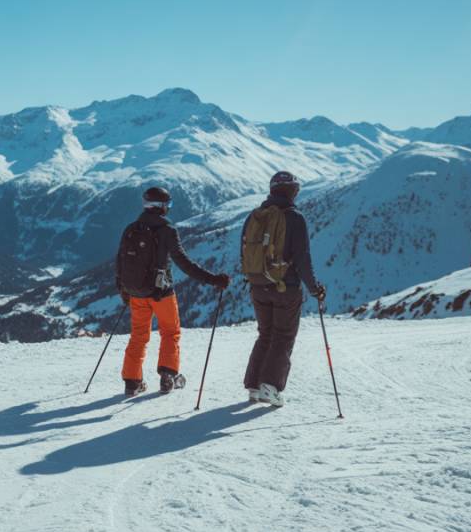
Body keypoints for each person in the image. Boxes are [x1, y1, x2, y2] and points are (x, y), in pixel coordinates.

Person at [116, 186, 230, 396]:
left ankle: (132, 382)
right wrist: (213, 280)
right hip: (162, 292)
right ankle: (167, 376)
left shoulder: (131, 228)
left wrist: (123, 289)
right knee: (170, 332)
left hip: (136, 292)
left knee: (138, 336)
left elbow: (120, 261)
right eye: (169, 205)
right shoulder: (167, 230)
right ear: (161, 207)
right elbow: (184, 263)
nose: (169, 209)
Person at [240, 171, 325, 408]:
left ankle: (254, 386)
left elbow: (245, 251)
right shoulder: (295, 218)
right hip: (284, 287)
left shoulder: (254, 217)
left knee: (265, 334)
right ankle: (271, 387)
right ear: (292, 191)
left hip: (257, 285)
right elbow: (302, 258)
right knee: (283, 336)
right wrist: (314, 288)